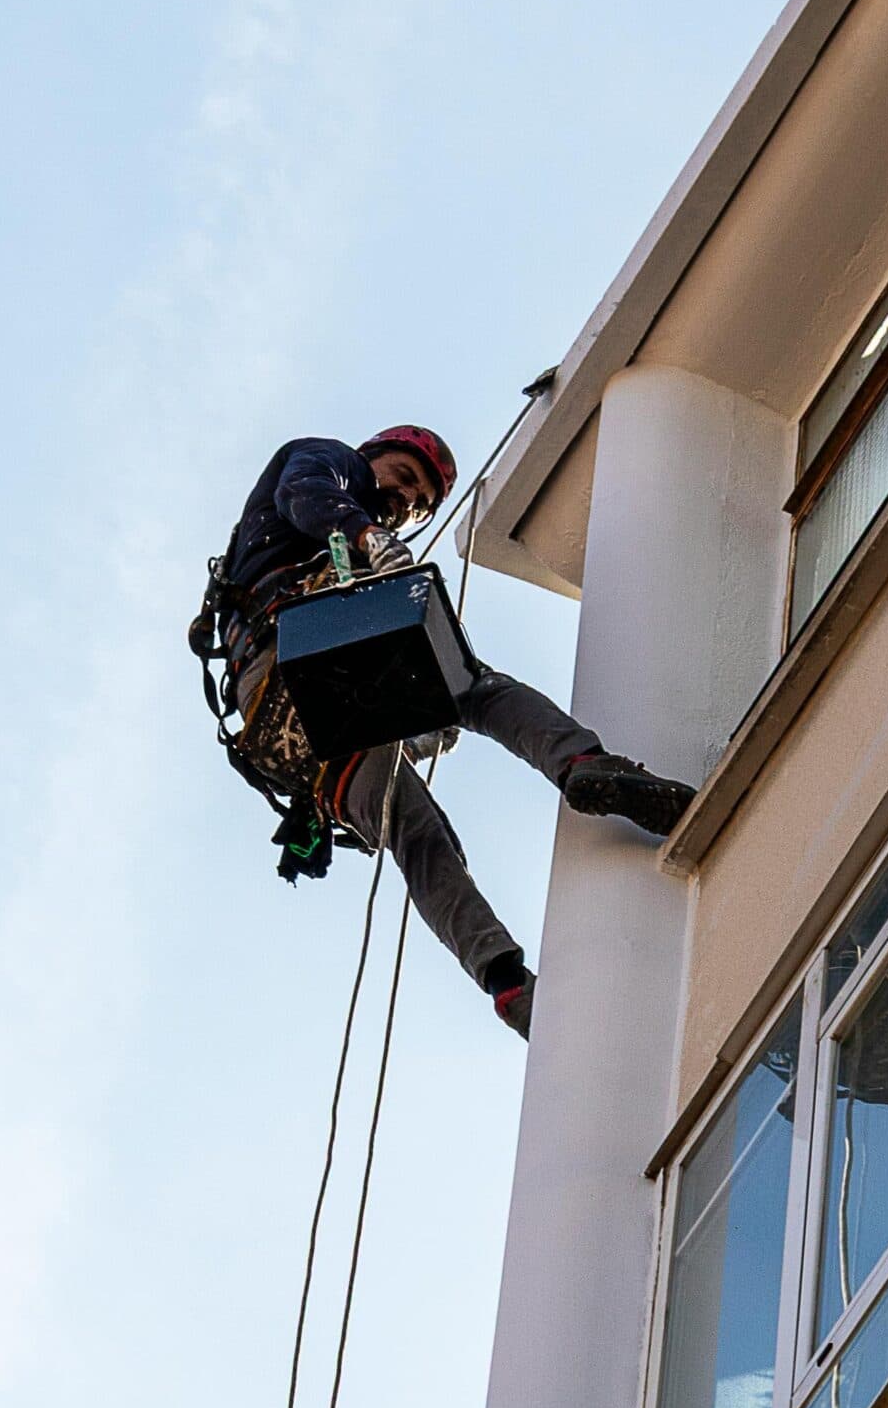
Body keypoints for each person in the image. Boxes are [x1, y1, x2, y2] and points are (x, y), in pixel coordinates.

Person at [193, 425, 695, 1039]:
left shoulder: (346, 524)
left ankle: (507, 983)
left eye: (416, 504)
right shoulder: (333, 464)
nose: (404, 501)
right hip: (298, 650)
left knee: (418, 831)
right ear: (373, 455)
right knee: (478, 689)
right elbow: (307, 491)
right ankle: (582, 763)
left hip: (288, 730)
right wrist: (370, 535)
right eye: (403, 479)